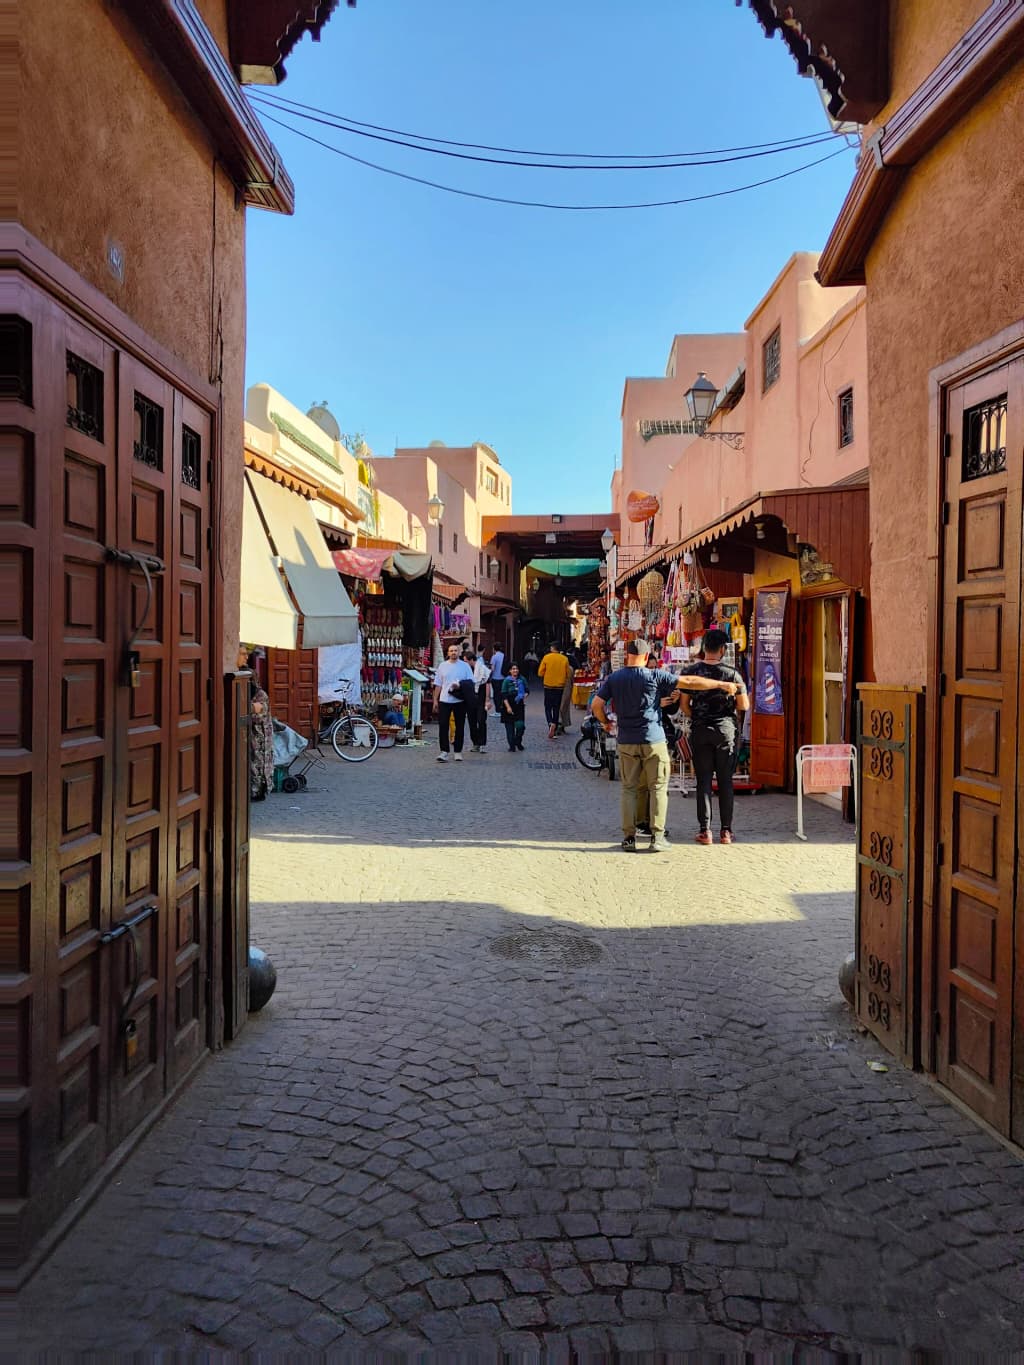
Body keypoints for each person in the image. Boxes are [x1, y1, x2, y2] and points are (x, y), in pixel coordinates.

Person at [592, 638, 739, 853]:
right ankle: (657, 837)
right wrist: (720, 684)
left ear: (628, 656)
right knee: (658, 788)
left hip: (627, 741)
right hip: (654, 740)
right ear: (645, 657)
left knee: (629, 789)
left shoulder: (615, 678)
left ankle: (629, 838)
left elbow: (597, 705)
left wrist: (606, 723)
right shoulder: (654, 675)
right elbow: (689, 682)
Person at [679, 629, 749, 845]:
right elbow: (744, 705)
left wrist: (699, 717)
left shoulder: (691, 672)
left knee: (704, 781)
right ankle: (726, 832)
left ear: (703, 649)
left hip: (700, 731)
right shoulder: (733, 674)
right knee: (726, 781)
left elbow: (684, 706)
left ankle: (705, 831)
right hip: (725, 732)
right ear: (722, 650)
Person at [239, 645, 274, 801]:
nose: (246, 657)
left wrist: (250, 708)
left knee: (258, 762)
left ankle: (258, 789)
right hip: (254, 735)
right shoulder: (251, 691)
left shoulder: (259, 694)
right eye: (243, 654)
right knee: (255, 763)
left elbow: (260, 713)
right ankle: (256, 789)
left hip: (259, 735)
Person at [433, 642, 474, 762]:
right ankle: (444, 751)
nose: (453, 653)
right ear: (448, 653)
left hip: (459, 700)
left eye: (455, 650)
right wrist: (435, 700)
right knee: (443, 725)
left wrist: (460, 684)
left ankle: (458, 751)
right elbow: (438, 684)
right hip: (445, 700)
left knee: (459, 726)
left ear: (459, 652)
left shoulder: (465, 666)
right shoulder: (442, 666)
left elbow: (471, 681)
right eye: (451, 651)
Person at [538, 642, 571, 740]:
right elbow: (568, 674)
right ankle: (555, 728)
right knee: (556, 708)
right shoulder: (564, 659)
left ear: (552, 648)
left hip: (548, 686)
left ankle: (550, 724)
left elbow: (540, 672)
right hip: (559, 687)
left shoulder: (546, 657)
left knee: (548, 707)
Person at [501, 662, 528, 751]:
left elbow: (527, 690)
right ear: (510, 671)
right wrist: (508, 707)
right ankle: (512, 745)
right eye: (513, 669)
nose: (515, 670)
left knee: (520, 726)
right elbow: (504, 695)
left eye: (516, 669)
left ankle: (518, 741)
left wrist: (524, 695)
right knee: (509, 729)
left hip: (519, 705)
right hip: (508, 705)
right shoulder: (506, 681)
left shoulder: (522, 679)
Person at [468, 649, 491, 753]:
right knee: (472, 722)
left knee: (481, 721)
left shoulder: (482, 669)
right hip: (470, 699)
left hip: (481, 699)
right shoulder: (467, 670)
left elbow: (487, 683)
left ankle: (482, 743)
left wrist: (487, 699)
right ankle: (475, 743)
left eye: (466, 661)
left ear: (471, 660)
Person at [557, 650, 575, 735]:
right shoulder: (570, 668)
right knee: (564, 707)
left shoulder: (568, 668)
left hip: (562, 688)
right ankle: (562, 724)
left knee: (561, 707)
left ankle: (560, 724)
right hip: (566, 689)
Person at [489, 641, 506, 714]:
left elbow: (492, 669)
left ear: (494, 648)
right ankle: (502, 709)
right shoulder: (504, 655)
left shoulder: (494, 657)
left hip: (496, 678)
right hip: (503, 677)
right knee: (502, 694)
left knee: (496, 695)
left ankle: (497, 711)